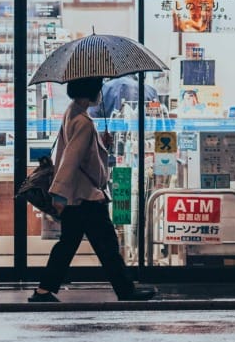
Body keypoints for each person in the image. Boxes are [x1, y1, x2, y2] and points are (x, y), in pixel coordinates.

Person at [29, 76, 156, 303]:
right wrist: (58, 193)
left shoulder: (72, 112)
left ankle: (44, 290)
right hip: (85, 197)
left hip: (76, 198)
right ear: (91, 91)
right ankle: (126, 291)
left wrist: (100, 143)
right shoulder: (84, 123)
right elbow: (71, 159)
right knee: (107, 246)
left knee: (68, 245)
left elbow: (75, 153)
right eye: (98, 88)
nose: (101, 93)